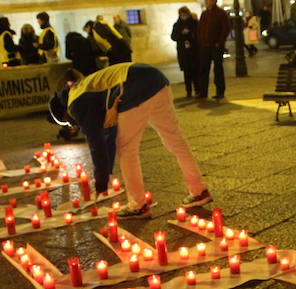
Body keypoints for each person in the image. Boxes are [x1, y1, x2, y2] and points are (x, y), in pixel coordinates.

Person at [48, 63, 212, 218]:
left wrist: (101, 179)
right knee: (175, 140)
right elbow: (108, 132)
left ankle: (137, 205)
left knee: (127, 150)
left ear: (64, 112)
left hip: (134, 87)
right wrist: (107, 170)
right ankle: (198, 190)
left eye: (68, 122)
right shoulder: (83, 87)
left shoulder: (75, 102)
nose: (72, 124)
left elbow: (95, 140)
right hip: (156, 79)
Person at [196, 0, 230, 100]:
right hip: (204, 46)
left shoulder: (220, 13)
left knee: (218, 69)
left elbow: (225, 29)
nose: (206, 3)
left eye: (208, 0)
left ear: (214, 1)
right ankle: (203, 92)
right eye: (205, 1)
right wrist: (200, 41)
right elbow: (200, 28)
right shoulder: (204, 14)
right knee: (203, 69)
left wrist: (219, 42)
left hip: (216, 46)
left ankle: (220, 92)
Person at [171, 6, 199, 97]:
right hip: (183, 51)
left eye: (185, 14)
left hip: (193, 50)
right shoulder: (177, 25)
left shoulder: (194, 23)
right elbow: (173, 37)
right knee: (186, 72)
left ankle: (197, 90)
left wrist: (190, 33)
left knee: (195, 71)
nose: (183, 16)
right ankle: (188, 91)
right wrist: (180, 33)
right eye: (181, 14)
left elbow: (198, 33)